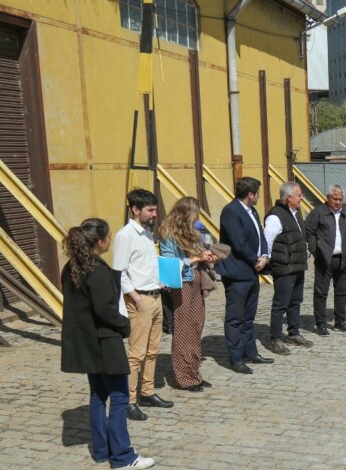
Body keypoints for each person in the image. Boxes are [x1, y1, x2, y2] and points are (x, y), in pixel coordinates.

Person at [61, 218, 154, 470]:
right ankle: (123, 456)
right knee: (120, 395)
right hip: (104, 341)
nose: (111, 240)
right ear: (100, 241)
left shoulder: (72, 267)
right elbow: (105, 310)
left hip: (88, 342)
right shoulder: (96, 270)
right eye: (109, 236)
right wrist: (125, 325)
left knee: (98, 395)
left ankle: (101, 451)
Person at [112, 188, 172, 421]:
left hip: (155, 295)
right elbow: (120, 272)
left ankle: (147, 391)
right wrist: (135, 297)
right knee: (136, 353)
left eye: (155, 209)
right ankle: (129, 400)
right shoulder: (125, 235)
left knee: (153, 349)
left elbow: (146, 265)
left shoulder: (147, 233)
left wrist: (160, 281)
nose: (154, 214)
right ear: (135, 209)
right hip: (140, 300)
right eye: (150, 210)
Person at [159, 197, 217, 392]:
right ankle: (184, 377)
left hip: (195, 280)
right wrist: (196, 258)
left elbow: (201, 250)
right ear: (186, 214)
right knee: (183, 329)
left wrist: (206, 256)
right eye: (195, 215)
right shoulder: (168, 233)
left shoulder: (191, 230)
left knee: (196, 326)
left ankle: (194, 373)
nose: (197, 219)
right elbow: (169, 264)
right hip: (181, 283)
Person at [217, 176, 274, 374]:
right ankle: (236, 358)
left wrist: (265, 255)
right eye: (258, 193)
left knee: (249, 316)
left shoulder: (252, 210)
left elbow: (261, 235)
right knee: (235, 317)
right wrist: (255, 259)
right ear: (250, 194)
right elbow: (238, 242)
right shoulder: (231, 211)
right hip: (237, 272)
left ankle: (251, 352)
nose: (259, 196)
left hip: (252, 270)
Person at [305, 184, 346, 335]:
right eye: (335, 199)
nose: (338, 202)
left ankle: (340, 321)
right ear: (328, 198)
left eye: (340, 199)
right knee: (321, 293)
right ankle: (321, 323)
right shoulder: (318, 212)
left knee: (342, 292)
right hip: (324, 259)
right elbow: (309, 232)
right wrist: (315, 251)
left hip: (343, 259)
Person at [265, 181, 312, 354]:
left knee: (295, 301)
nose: (301, 198)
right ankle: (276, 338)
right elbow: (267, 241)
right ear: (288, 197)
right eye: (299, 195)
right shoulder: (275, 216)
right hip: (284, 266)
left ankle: (294, 333)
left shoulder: (296, 213)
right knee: (280, 304)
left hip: (297, 265)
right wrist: (267, 261)